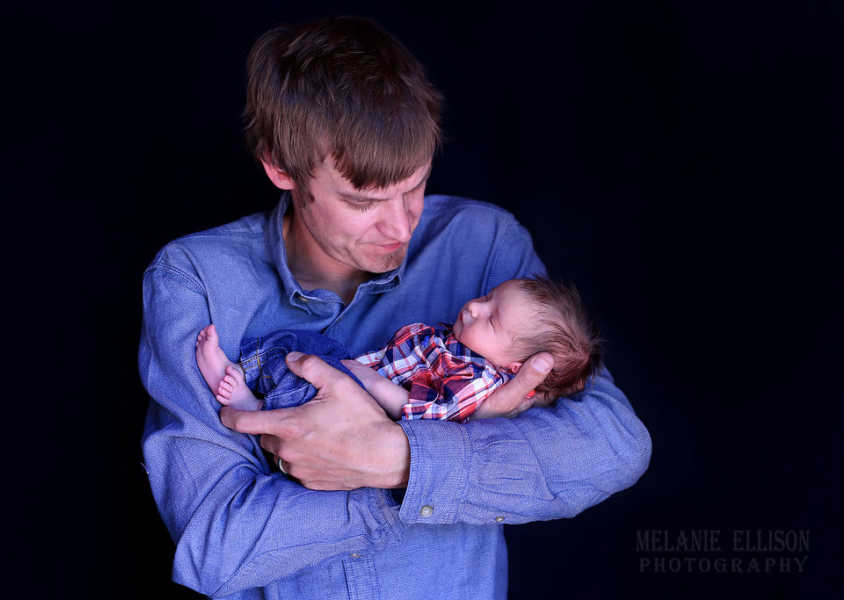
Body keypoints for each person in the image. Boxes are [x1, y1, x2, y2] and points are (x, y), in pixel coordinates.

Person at [139, 16, 651, 599]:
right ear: (281, 168)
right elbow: (216, 551)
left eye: (415, 186)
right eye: (363, 201)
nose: (401, 225)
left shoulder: (482, 245)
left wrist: (400, 461)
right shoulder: (195, 279)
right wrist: (421, 471)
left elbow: (613, 443)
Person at [195, 277, 604, 423]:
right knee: (298, 343)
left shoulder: (477, 380)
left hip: (365, 399)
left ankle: (256, 408)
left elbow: (426, 411)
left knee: (307, 388)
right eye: (487, 297)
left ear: (513, 366)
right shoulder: (461, 345)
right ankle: (244, 368)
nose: (474, 307)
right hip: (356, 368)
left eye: (492, 319)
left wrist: (370, 380)